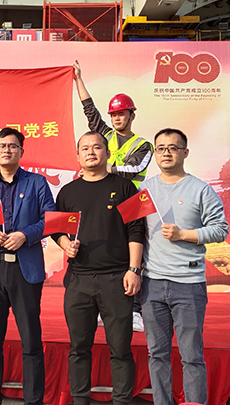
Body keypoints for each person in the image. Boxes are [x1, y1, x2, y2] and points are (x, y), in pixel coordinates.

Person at [51, 132, 145, 405]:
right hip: (78, 281)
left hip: (116, 279)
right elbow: (57, 229)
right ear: (78, 155)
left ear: (107, 152)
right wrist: (66, 244)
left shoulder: (126, 188)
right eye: (85, 148)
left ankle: (122, 400)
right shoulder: (68, 192)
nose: (91, 152)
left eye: (97, 147)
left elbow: (137, 229)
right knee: (79, 348)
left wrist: (134, 270)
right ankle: (80, 399)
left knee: (121, 348)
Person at [0, 128, 56, 405]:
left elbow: (50, 219)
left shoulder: (37, 183)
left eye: (13, 146)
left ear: (21, 151)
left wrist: (25, 235)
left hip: (25, 270)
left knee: (31, 340)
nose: (7, 150)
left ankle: (33, 400)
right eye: (2, 145)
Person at [140, 128, 228, 405]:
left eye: (173, 148)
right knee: (157, 355)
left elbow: (220, 229)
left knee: (191, 356)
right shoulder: (144, 190)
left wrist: (184, 235)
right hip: (152, 284)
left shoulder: (201, 190)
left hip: (188, 285)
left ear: (185, 152)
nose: (166, 153)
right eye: (160, 148)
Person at [73, 60, 153, 332]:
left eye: (122, 114)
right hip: (108, 198)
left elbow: (136, 168)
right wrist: (78, 80)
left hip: (134, 200)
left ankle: (136, 310)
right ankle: (103, 306)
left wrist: (109, 168)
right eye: (114, 115)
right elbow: (90, 111)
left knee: (138, 253)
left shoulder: (143, 144)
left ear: (132, 115)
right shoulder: (104, 135)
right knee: (108, 249)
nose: (117, 118)